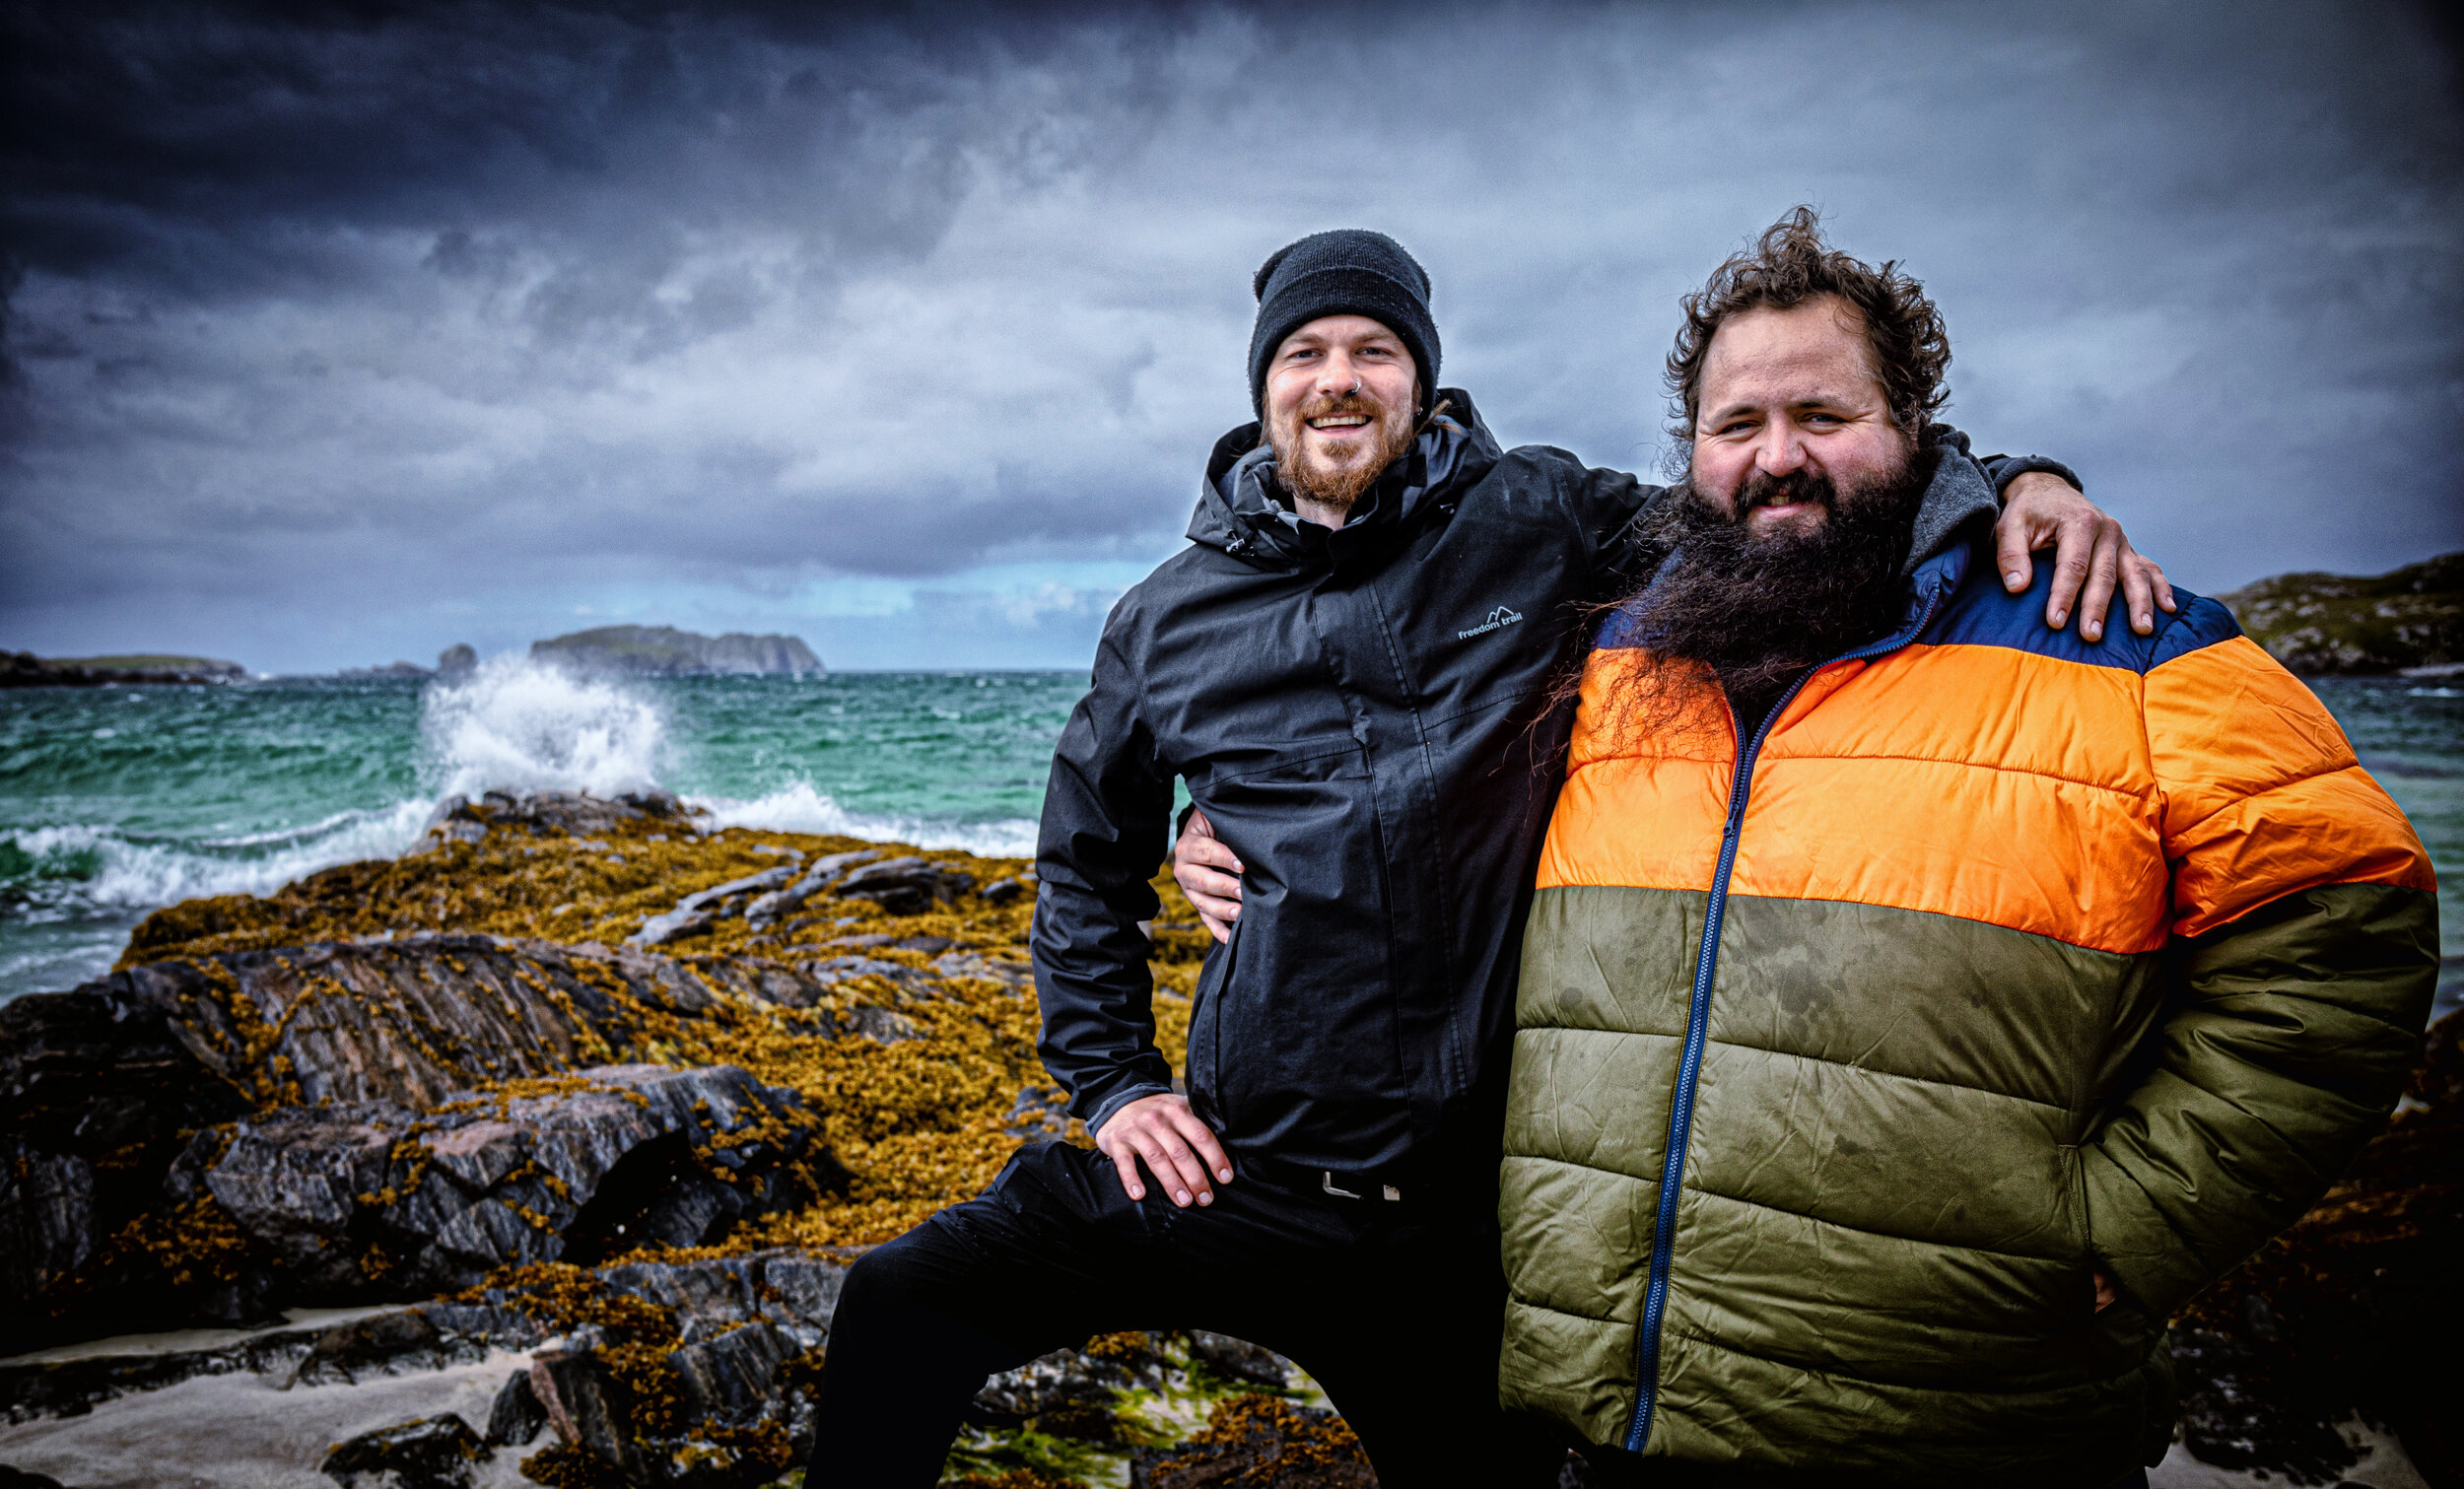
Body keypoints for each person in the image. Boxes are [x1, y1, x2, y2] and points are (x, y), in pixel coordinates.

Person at [803, 227, 2165, 1488]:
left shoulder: (1546, 518)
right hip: (1246, 1170)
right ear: (1264, 387)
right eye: (1304, 354)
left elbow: (1786, 496)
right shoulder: (1166, 616)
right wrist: (1110, 1083)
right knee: (902, 1300)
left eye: (1373, 351)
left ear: (1421, 380)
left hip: (1481, 1224)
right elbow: (1084, 857)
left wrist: (2025, 483)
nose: (1338, 380)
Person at [1486, 209, 2438, 1487]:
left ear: (1918, 430)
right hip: (1622, 1417)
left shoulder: (2116, 637)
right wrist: (1221, 812)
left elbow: (2351, 926)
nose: (1779, 459)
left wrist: (2134, 1219)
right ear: (1692, 453)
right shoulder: (1621, 650)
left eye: (1823, 416)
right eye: (1736, 426)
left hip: (1959, 1422)